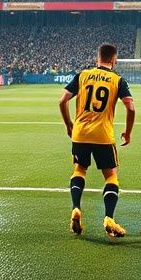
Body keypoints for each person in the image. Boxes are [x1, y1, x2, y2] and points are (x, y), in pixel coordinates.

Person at [58, 43, 135, 238]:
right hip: (103, 135)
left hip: (80, 133)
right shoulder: (117, 80)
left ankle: (76, 208)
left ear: (97, 58)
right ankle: (109, 217)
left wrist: (68, 124)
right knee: (111, 176)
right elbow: (131, 107)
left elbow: (62, 100)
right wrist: (128, 132)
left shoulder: (83, 75)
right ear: (114, 59)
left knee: (79, 169)